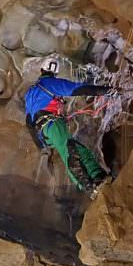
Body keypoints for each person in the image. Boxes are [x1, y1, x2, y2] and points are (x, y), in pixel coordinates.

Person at [24, 57, 111, 196]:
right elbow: (78, 89)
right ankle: (90, 187)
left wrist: (42, 146)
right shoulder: (51, 83)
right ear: (55, 73)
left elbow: (29, 122)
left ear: (41, 70)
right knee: (70, 152)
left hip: (44, 133)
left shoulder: (30, 92)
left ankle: (98, 176)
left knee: (81, 150)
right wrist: (105, 91)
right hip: (53, 125)